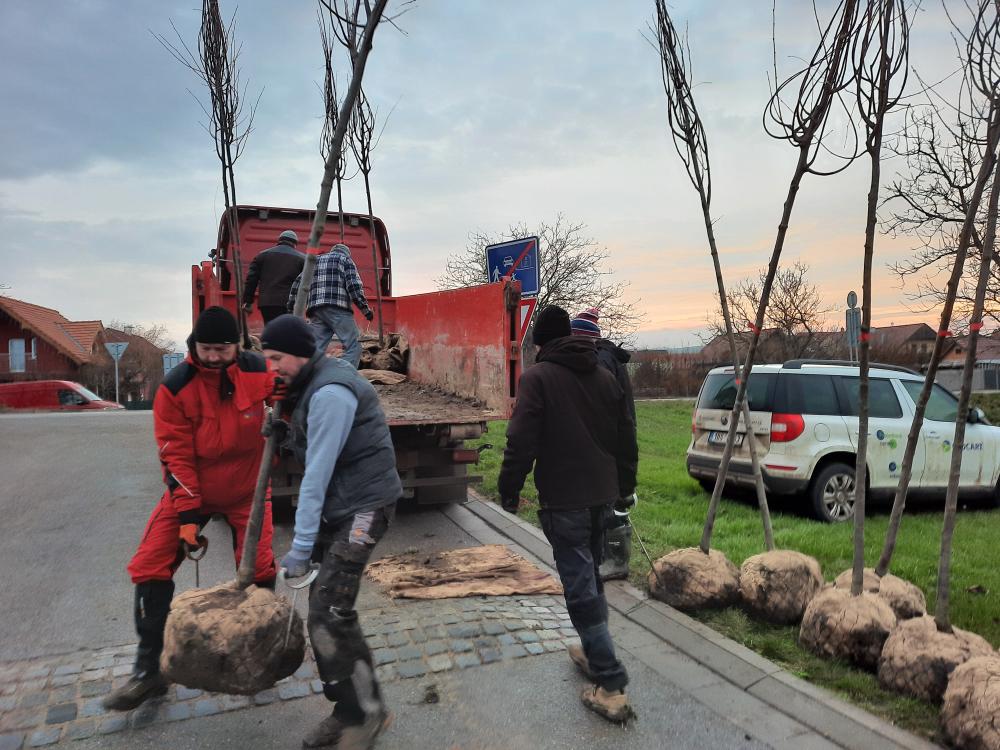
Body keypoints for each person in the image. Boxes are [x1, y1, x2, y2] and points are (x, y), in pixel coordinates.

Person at [103, 306, 279, 711]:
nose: (213, 357)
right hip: (192, 490)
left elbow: (289, 395)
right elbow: (175, 454)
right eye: (206, 348)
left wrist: (287, 415)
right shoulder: (175, 388)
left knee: (261, 567)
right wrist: (186, 518)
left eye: (222, 349)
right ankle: (149, 671)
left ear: (236, 347)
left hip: (248, 491)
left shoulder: (258, 371)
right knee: (149, 566)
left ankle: (261, 655)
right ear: (193, 345)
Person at [260, 314, 401, 750]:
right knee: (328, 608)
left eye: (277, 358)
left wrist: (302, 546)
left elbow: (316, 476)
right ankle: (350, 709)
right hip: (344, 503)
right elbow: (313, 444)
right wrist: (285, 433)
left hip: (365, 506)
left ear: (301, 354)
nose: (271, 368)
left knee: (329, 611)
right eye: (267, 358)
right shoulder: (310, 383)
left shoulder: (330, 394)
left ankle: (365, 713)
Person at [498, 305, 638, 722]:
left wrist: (509, 491)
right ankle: (595, 655)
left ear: (540, 343)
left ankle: (610, 684)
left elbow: (520, 441)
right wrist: (624, 488)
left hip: (565, 502)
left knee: (580, 590)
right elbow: (626, 436)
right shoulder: (605, 375)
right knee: (590, 576)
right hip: (602, 497)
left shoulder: (537, 378)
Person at [570, 307, 637, 581]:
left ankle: (616, 561)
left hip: (609, 441)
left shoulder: (601, 361)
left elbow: (601, 406)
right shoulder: (606, 357)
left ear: (581, 338)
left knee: (611, 503)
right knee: (610, 499)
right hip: (615, 438)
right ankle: (607, 557)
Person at [288, 242, 374, 367]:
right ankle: (344, 375)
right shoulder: (345, 260)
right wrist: (365, 310)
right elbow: (354, 287)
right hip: (338, 309)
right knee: (354, 345)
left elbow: (297, 283)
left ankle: (308, 374)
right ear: (347, 253)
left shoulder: (315, 261)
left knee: (315, 348)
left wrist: (291, 306)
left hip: (316, 310)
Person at [243, 229, 306, 324]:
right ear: (295, 244)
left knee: (270, 329)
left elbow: (251, 280)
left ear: (279, 241)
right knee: (287, 330)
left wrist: (248, 301)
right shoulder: (302, 259)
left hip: (267, 303)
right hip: (289, 304)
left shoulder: (262, 256)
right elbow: (306, 283)